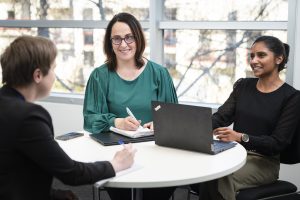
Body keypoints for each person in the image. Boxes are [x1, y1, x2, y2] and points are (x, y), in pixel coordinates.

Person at [0, 35, 136, 200]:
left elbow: (13, 171)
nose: (54, 76)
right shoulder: (28, 117)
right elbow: (71, 173)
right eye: (53, 68)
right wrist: (116, 164)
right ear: (38, 75)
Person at [192, 35, 300, 200]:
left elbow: (278, 143)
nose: (254, 60)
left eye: (261, 55)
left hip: (263, 163)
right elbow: (220, 117)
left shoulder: (292, 97)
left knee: (220, 176)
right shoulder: (243, 86)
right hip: (233, 154)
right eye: (252, 56)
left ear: (279, 59)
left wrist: (241, 137)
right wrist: (187, 127)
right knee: (207, 169)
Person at [83, 12, 178, 199]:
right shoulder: (99, 76)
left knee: (161, 190)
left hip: (156, 152)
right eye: (117, 39)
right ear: (110, 43)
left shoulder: (160, 74)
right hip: (117, 151)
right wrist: (117, 122)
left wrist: (162, 124)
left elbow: (175, 117)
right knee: (121, 192)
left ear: (138, 38)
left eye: (129, 37)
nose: (123, 44)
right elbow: (90, 119)